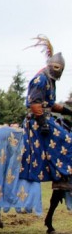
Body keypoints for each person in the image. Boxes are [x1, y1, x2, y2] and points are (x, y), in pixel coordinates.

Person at [20, 35, 72, 183]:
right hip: (37, 121)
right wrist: (43, 123)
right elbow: (35, 104)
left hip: (45, 118)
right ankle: (63, 177)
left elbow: (50, 104)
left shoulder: (50, 80)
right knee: (67, 140)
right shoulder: (40, 79)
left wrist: (67, 111)